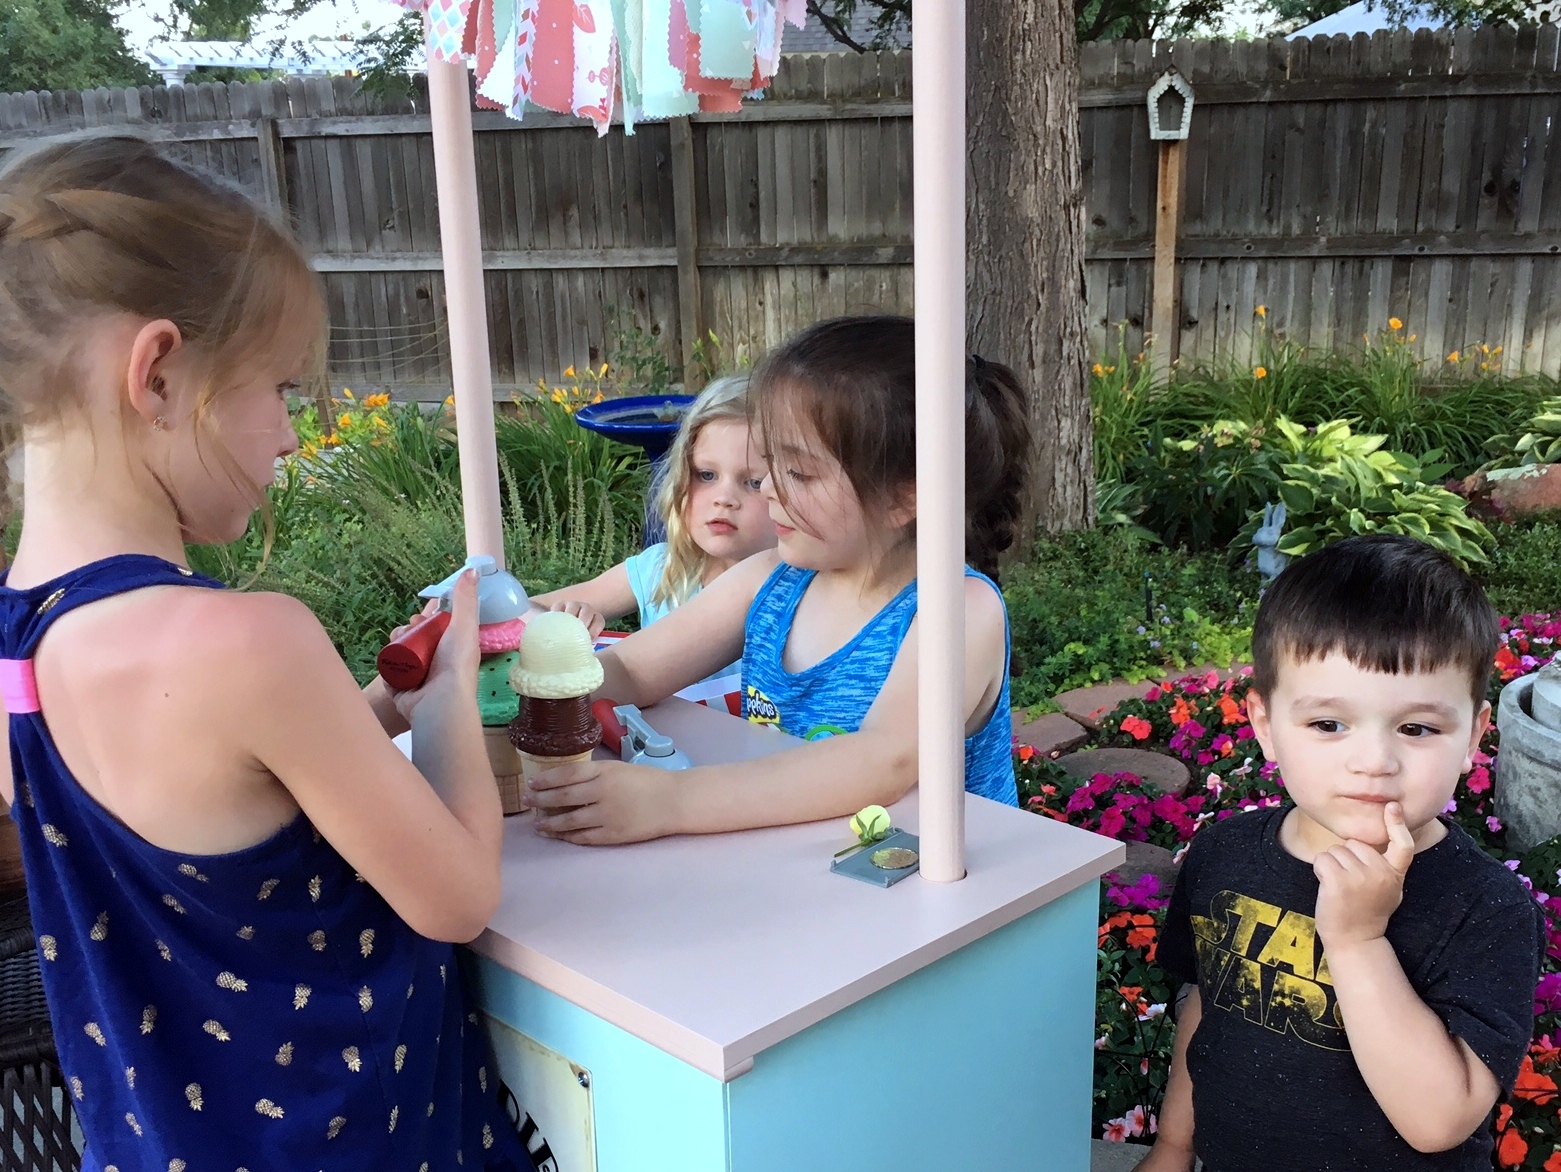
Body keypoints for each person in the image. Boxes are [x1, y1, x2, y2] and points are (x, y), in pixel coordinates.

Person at [0, 136, 528, 1171]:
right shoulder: (248, 640)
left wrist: (372, 704)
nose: (291, 434)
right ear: (157, 372)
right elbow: (458, 894)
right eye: (280, 386)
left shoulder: (18, 644)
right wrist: (448, 699)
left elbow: (207, 812)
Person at [524, 315, 1030, 844]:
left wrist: (670, 801)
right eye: (770, 466)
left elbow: (881, 760)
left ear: (907, 495)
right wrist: (528, 682)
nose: (765, 488)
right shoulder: (773, 579)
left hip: (941, 897)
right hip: (803, 869)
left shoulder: (958, 610)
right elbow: (633, 667)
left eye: (799, 473)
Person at [1136, 534, 1542, 1172]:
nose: (1374, 761)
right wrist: (1173, 1146)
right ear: (1266, 727)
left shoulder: (1485, 907)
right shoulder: (1225, 856)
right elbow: (1208, 1010)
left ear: (1473, 735)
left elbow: (1440, 1120)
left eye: (1418, 728)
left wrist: (1358, 942)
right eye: (1329, 724)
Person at [531, 374, 774, 685]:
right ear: (681, 477)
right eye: (706, 474)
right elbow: (522, 612)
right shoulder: (660, 568)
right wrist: (564, 618)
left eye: (753, 482)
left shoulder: (796, 592)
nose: (724, 499)